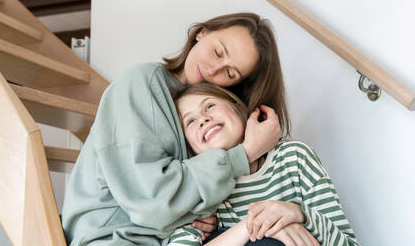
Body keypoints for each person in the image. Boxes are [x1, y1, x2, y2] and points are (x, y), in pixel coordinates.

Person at [62, 13, 289, 245]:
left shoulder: (209, 123)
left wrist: (199, 214)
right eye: (217, 52)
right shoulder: (140, 84)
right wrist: (246, 153)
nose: (213, 71)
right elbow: (152, 202)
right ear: (202, 33)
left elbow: (181, 204)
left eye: (230, 73)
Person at [168, 83, 359, 246]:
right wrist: (251, 226)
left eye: (209, 106)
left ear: (239, 108)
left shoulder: (294, 157)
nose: (202, 119)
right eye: (190, 121)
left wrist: (298, 214)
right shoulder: (201, 187)